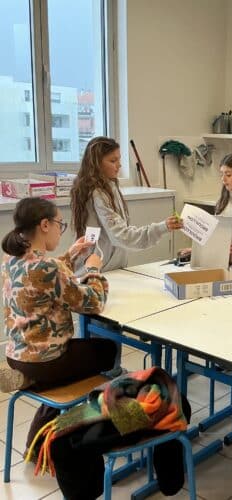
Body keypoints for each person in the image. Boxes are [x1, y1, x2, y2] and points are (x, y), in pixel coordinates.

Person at [1, 197, 117, 450]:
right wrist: (94, 269)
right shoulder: (50, 267)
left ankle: (31, 384)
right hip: (47, 361)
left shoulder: (10, 261)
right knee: (109, 350)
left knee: (70, 366)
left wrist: (71, 254)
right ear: (45, 225)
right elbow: (94, 302)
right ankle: (71, 428)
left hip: (17, 355)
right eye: (59, 225)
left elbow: (44, 276)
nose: (60, 231)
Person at [70, 136, 181, 273]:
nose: (119, 165)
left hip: (107, 268)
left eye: (119, 159)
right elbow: (123, 236)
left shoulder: (109, 186)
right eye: (113, 161)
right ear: (96, 163)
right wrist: (162, 227)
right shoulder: (97, 193)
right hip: (97, 271)